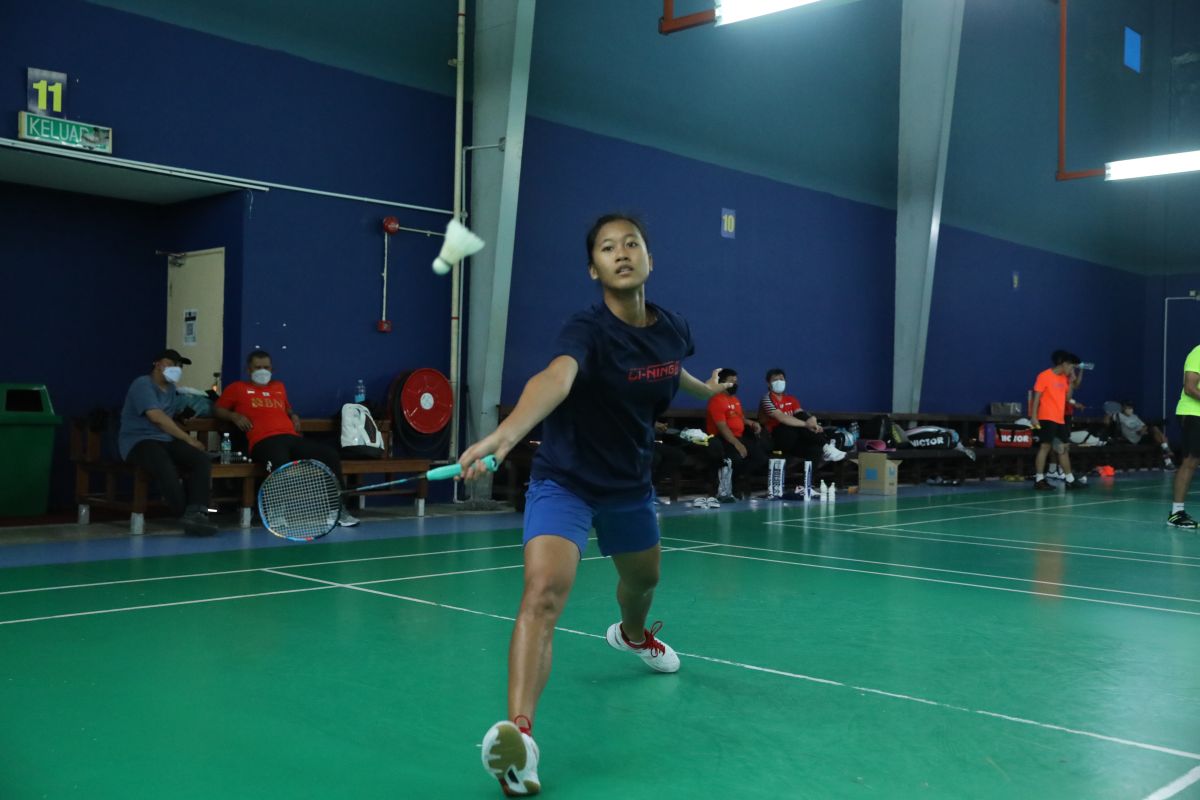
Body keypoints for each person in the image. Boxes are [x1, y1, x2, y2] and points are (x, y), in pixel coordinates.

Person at [456, 214, 728, 796]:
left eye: (632, 244)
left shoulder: (673, 327)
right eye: (608, 248)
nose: (622, 253)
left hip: (629, 484)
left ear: (650, 259)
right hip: (567, 480)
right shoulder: (585, 330)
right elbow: (555, 379)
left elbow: (670, 371)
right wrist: (504, 435)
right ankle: (520, 741)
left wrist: (708, 391)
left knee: (642, 581)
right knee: (542, 594)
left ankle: (631, 634)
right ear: (594, 268)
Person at [213, 350, 358, 526]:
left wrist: (293, 415)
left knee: (329, 455)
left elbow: (287, 408)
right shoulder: (237, 388)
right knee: (279, 463)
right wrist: (234, 417)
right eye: (258, 367)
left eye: (266, 367)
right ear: (248, 369)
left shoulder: (279, 387)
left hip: (291, 437)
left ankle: (338, 511)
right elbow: (218, 409)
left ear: (272, 368)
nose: (262, 370)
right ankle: (275, 511)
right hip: (263, 440)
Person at [118, 348, 218, 536]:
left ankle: (197, 512)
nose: (176, 368)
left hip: (165, 439)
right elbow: (156, 416)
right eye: (171, 364)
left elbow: (169, 416)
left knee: (200, 460)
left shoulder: (171, 390)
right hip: (139, 441)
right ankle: (183, 515)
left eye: (179, 366)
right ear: (157, 364)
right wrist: (188, 438)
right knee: (164, 463)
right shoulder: (142, 384)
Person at [758, 368, 845, 464]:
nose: (779, 382)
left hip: (795, 438)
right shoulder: (766, 399)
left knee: (815, 450)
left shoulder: (791, 399)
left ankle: (809, 476)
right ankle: (826, 445)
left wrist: (813, 420)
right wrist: (807, 424)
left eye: (781, 379)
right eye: (775, 380)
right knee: (799, 420)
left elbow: (801, 413)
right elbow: (781, 418)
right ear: (768, 384)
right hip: (776, 438)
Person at [705, 367, 766, 501]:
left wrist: (750, 423)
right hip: (722, 439)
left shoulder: (735, 399)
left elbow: (739, 417)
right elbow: (722, 427)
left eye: (736, 381)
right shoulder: (716, 400)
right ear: (722, 383)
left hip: (738, 436)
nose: (735, 384)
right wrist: (737, 444)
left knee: (760, 458)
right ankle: (728, 485)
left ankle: (735, 480)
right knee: (736, 459)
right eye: (732, 382)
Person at [1031, 350, 1084, 491]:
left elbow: (1067, 398)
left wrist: (1071, 383)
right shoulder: (1044, 376)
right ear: (1064, 364)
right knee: (1045, 447)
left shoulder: (1063, 379)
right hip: (1046, 417)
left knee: (1063, 448)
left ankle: (1070, 480)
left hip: (1060, 418)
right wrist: (1034, 416)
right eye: (1071, 366)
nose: (1072, 369)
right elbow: (1037, 397)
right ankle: (1039, 480)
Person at [1168, 344, 1200, 528]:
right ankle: (1176, 513)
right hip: (1193, 414)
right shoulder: (1198, 353)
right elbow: (1189, 387)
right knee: (1190, 461)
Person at [1108, 400, 1174, 469]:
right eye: (1128, 408)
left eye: (1131, 407)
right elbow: (1107, 418)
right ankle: (1167, 454)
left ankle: (1168, 459)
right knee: (1158, 434)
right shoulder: (1118, 415)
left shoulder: (1134, 416)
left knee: (1159, 438)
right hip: (1133, 438)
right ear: (1123, 408)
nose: (1130, 409)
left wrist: (1143, 430)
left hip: (1141, 435)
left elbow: (1143, 426)